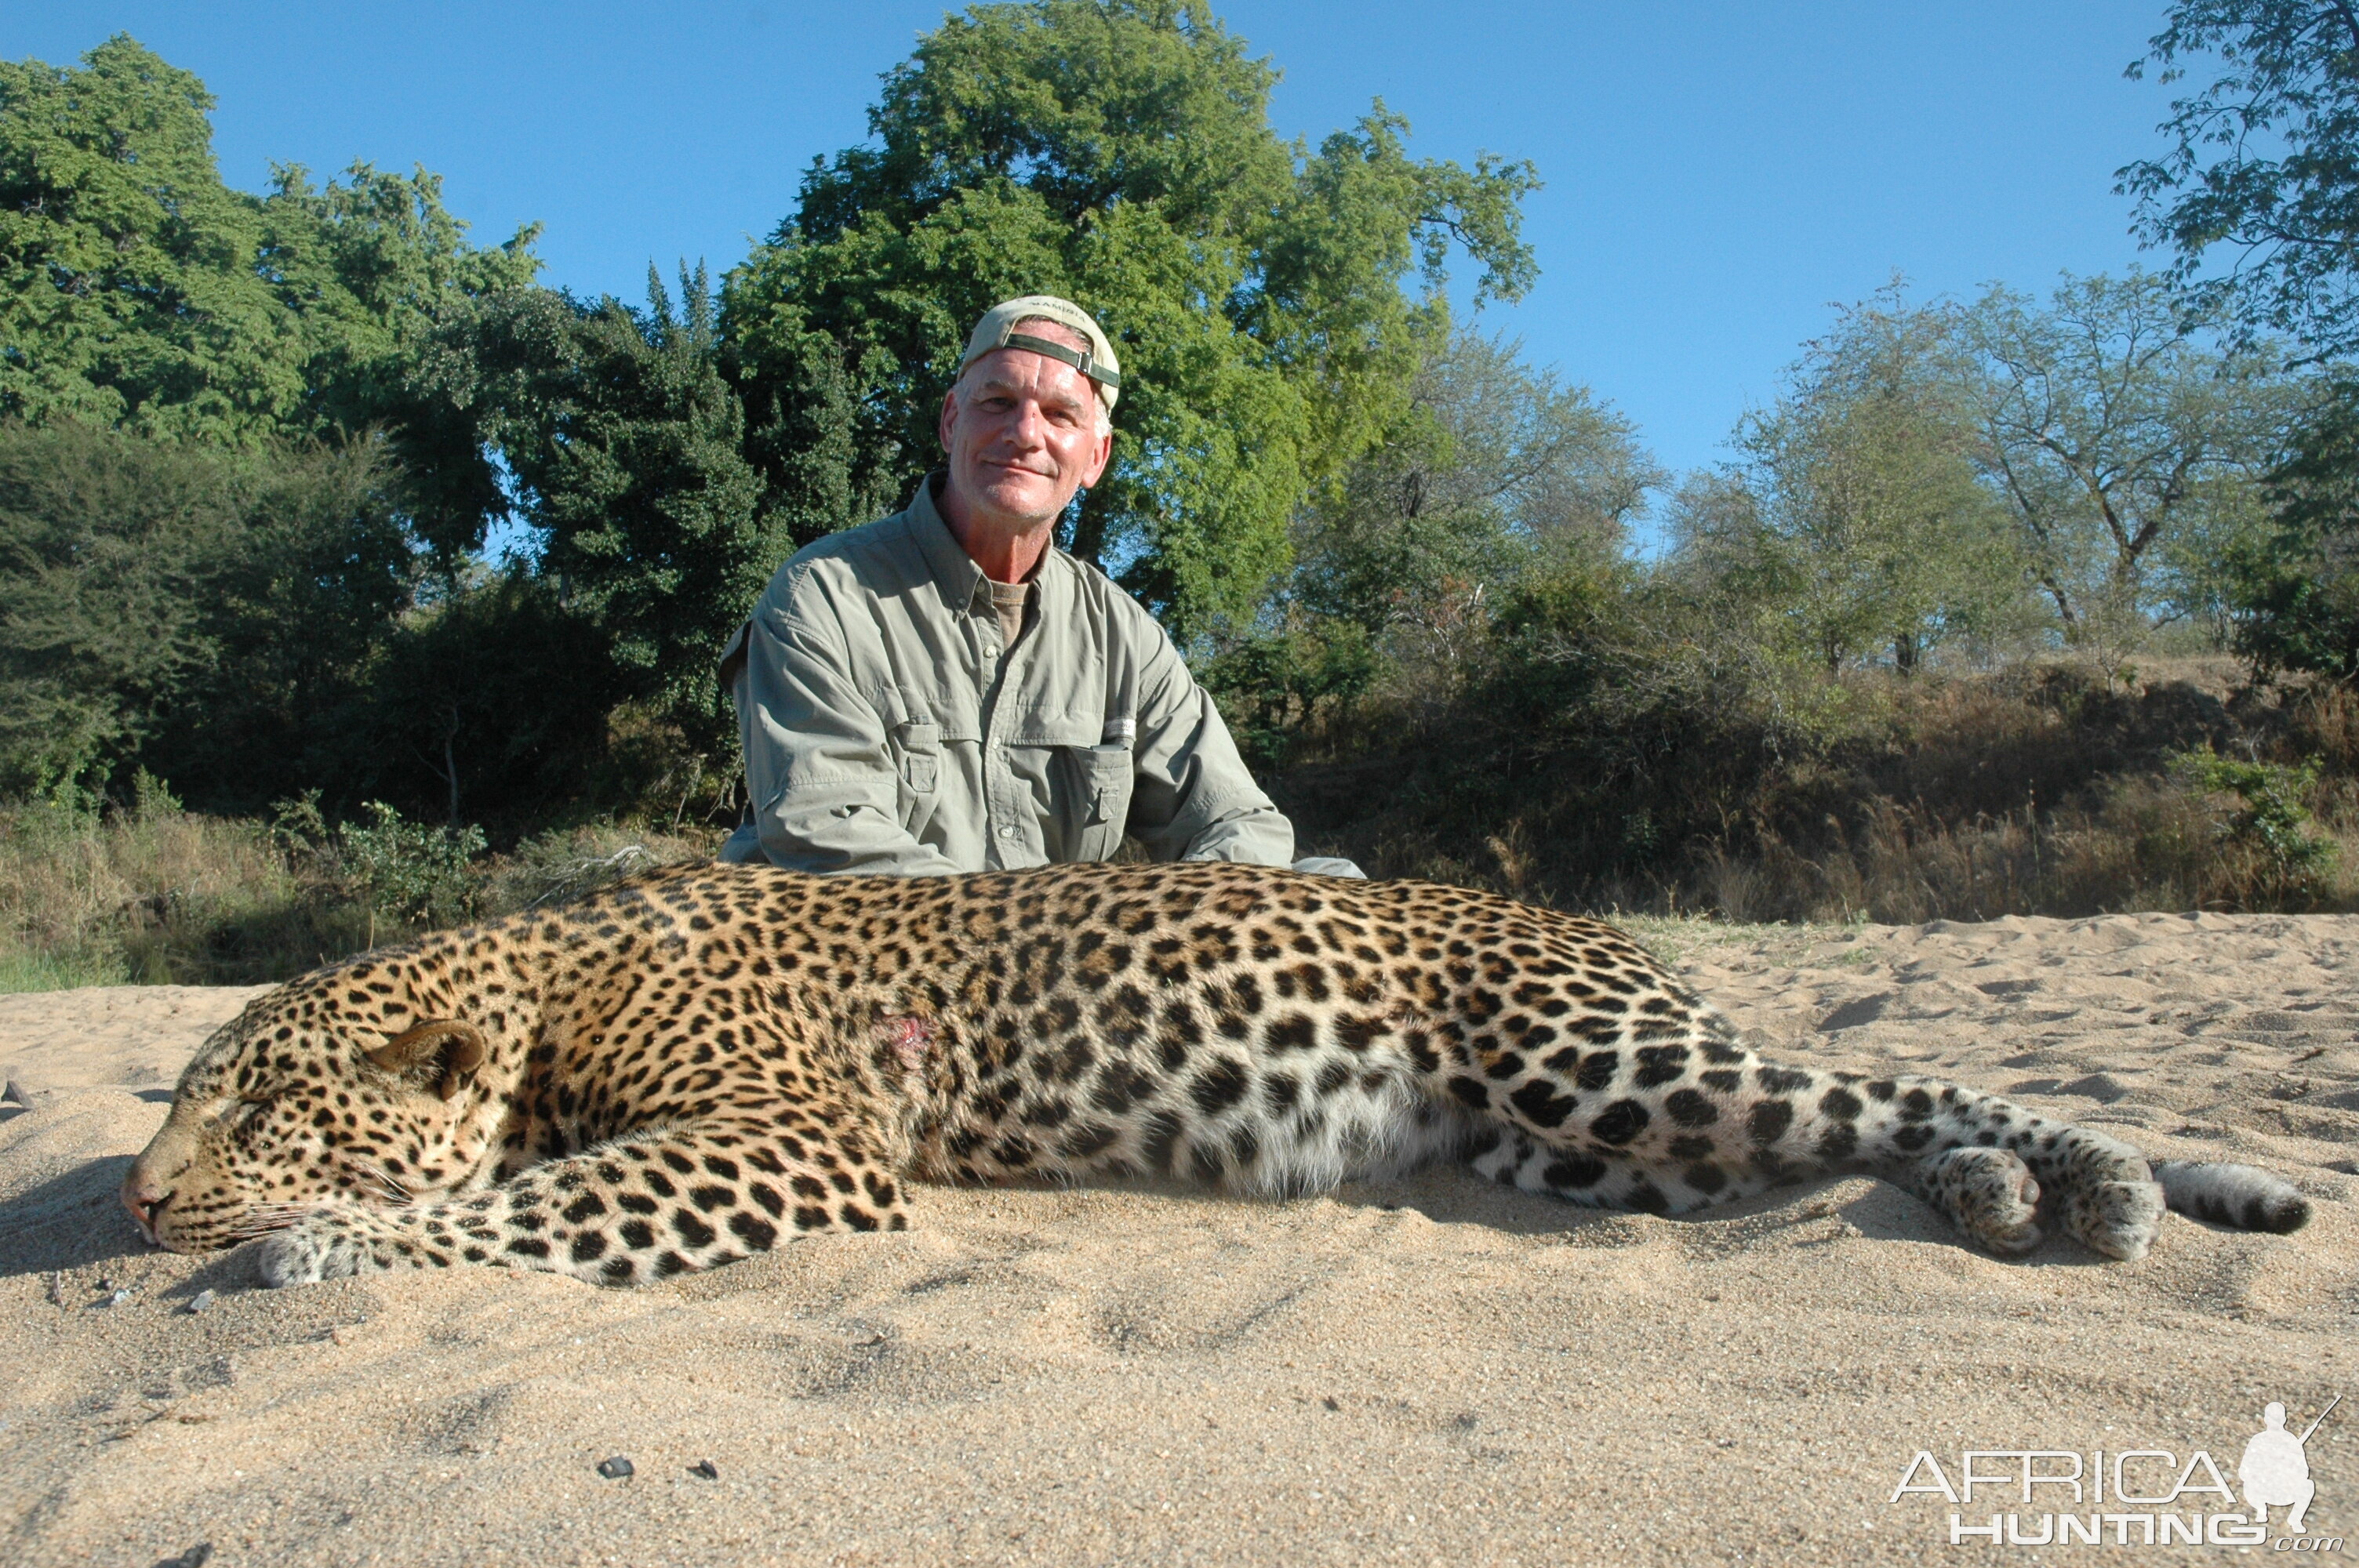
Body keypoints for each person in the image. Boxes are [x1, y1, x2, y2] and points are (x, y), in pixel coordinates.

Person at [717, 293, 1359, 879]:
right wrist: (1050, 948)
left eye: (1059, 414)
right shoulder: (822, 596)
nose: (1025, 433)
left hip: (1051, 970)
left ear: (1096, 458)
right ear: (950, 422)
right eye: (998, 403)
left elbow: (1236, 823)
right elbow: (828, 836)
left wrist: (1177, 926)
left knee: (1338, 889)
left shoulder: (1126, 637)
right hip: (866, 966)